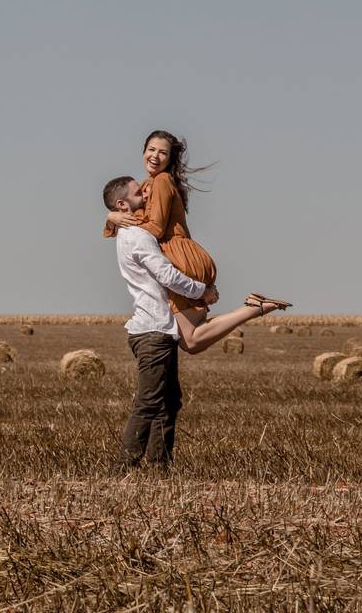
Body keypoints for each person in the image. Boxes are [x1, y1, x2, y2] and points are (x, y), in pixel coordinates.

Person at [103, 130, 290, 353]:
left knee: (190, 340)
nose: (155, 156)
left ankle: (253, 309)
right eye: (151, 150)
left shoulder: (161, 181)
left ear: (170, 158)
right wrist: (112, 216)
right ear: (143, 151)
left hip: (180, 258)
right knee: (190, 339)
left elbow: (155, 228)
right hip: (182, 256)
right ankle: (253, 308)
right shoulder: (147, 185)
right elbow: (131, 212)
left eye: (163, 153)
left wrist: (115, 218)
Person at [103, 176, 215, 469]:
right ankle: (124, 466)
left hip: (159, 329)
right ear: (122, 204)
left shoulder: (131, 230)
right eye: (139, 194)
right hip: (152, 331)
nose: (146, 196)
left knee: (169, 401)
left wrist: (112, 218)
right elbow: (167, 276)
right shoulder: (138, 236)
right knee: (150, 401)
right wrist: (201, 292)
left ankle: (159, 465)